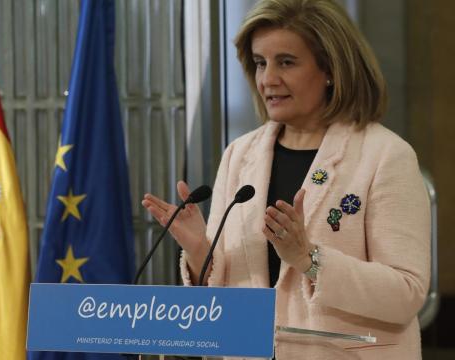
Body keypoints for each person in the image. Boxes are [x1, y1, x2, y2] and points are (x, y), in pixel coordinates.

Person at [141, 0, 430, 358]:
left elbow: (407, 292)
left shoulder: (385, 156)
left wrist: (309, 258)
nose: (268, 79)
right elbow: (225, 299)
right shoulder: (240, 154)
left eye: (286, 62)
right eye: (261, 63)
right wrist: (201, 250)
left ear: (331, 69)